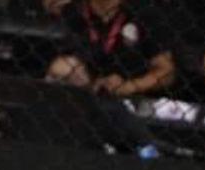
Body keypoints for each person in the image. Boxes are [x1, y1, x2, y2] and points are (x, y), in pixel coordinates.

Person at [45, 0, 175, 98]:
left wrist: (128, 86)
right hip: (86, 95)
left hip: (135, 99)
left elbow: (166, 72)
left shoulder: (145, 13)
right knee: (62, 68)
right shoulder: (74, 10)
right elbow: (65, 60)